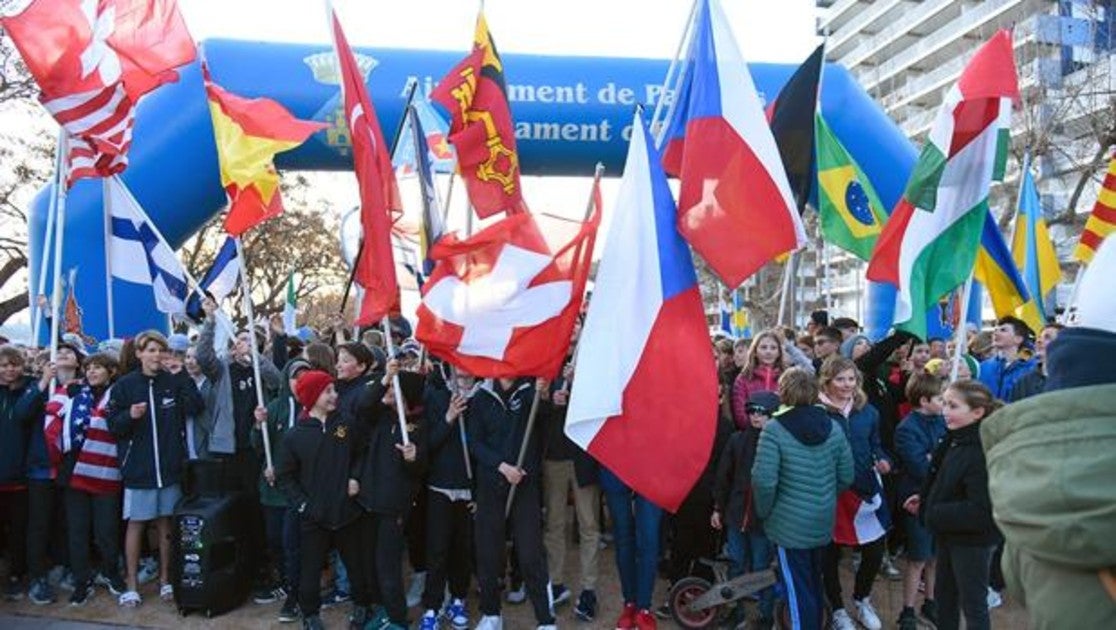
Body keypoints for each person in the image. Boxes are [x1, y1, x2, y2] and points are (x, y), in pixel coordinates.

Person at [982, 320, 1116, 629]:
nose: (1045, 343)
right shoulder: (1020, 379)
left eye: (1052, 339)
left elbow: (1017, 579)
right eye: (1043, 337)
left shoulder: (1025, 498)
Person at [752, 368, 854, 630]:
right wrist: (824, 498)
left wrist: (765, 512)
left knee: (796, 591)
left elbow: (763, 481)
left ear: (782, 392)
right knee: (813, 583)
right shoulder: (833, 427)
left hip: (787, 525)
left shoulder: (774, 429)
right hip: (821, 520)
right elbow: (847, 475)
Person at [108, 330, 203, 607]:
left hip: (170, 468)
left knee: (166, 525)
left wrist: (182, 375)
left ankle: (166, 581)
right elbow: (113, 424)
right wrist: (129, 416)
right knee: (136, 525)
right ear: (139, 354)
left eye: (160, 350)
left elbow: (196, 407)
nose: (156, 355)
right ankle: (132, 585)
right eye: (150, 350)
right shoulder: (125, 385)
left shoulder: (172, 382)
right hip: (139, 469)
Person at [276, 370, 368, 630]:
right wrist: (304, 505)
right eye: (328, 391)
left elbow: (362, 452)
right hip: (313, 517)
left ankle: (361, 606)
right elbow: (284, 477)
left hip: (347, 511)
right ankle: (310, 614)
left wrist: (355, 477)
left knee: (355, 565)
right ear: (313, 396)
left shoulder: (346, 424)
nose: (334, 395)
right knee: (310, 568)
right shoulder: (294, 435)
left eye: (334, 390)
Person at [906, 381, 1000, 630]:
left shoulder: (980, 450)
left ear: (977, 412)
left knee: (973, 605)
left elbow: (982, 509)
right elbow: (947, 481)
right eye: (945, 403)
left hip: (972, 542)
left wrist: (934, 512)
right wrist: (926, 499)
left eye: (953, 405)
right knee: (945, 598)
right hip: (949, 533)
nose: (945, 410)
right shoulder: (955, 438)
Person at [469, 377, 556, 630]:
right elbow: (475, 443)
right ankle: (491, 614)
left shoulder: (531, 389)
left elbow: (546, 417)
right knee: (487, 552)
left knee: (530, 553)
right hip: (491, 484)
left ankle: (545, 619)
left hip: (524, 485)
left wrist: (545, 395)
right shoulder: (482, 396)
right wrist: (502, 466)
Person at [819, 356, 893, 630]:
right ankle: (837, 608)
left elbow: (877, 445)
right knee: (830, 554)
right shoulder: (816, 411)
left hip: (864, 492)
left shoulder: (869, 411)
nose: (847, 384)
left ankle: (862, 599)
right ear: (827, 381)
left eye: (851, 379)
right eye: (840, 379)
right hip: (830, 493)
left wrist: (884, 460)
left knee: (874, 550)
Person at [355, 362, 427, 630]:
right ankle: (382, 610)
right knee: (371, 564)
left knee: (388, 567)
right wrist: (385, 378)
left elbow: (421, 468)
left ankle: (397, 619)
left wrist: (413, 458)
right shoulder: (381, 417)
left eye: (394, 389)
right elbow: (363, 404)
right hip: (369, 502)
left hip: (393, 508)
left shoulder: (417, 428)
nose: (387, 394)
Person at [57, 352, 127, 605]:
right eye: (88, 368)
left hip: (105, 470)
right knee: (77, 530)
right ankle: (81, 580)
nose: (92, 372)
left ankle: (111, 573)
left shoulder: (119, 394)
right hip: (73, 471)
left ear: (111, 371)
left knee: (106, 529)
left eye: (98, 367)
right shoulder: (72, 392)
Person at [712, 390, 780, 628]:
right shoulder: (737, 440)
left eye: (762, 412)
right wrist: (718, 508)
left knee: (762, 570)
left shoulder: (778, 444)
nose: (755, 417)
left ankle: (765, 614)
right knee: (736, 565)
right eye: (751, 411)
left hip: (763, 520)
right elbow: (723, 477)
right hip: (736, 514)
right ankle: (736, 611)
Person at [541, 362, 601, 622]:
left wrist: (579, 387)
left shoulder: (592, 357)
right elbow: (535, 413)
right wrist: (550, 399)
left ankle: (589, 590)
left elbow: (601, 403)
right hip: (553, 455)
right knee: (554, 524)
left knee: (589, 525)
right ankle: (555, 583)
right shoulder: (548, 356)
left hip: (584, 455)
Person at [253, 357, 311, 623]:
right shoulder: (274, 407)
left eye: (304, 375)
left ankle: (296, 596)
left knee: (293, 545)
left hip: (298, 491)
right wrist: (257, 425)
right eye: (295, 376)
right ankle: (286, 584)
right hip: (272, 490)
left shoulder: (315, 408)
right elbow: (257, 444)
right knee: (274, 540)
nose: (299, 381)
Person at [27, 338, 85, 605]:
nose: (62, 354)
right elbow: (21, 415)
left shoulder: (84, 390)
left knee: (67, 521)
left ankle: (67, 567)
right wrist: (42, 383)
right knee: (40, 523)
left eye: (68, 352)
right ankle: (37, 576)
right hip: (41, 467)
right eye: (58, 351)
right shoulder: (38, 388)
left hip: (71, 467)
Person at [419, 368, 476, 630]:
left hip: (468, 489)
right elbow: (428, 444)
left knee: (461, 549)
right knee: (437, 549)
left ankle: (458, 598)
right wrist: (449, 417)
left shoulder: (483, 396)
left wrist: (478, 491)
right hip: (440, 486)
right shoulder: (435, 396)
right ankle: (432, 605)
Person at [893, 374, 948, 630]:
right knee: (917, 558)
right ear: (924, 400)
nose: (945, 402)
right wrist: (938, 462)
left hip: (941, 499)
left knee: (935, 556)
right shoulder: (906, 428)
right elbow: (919, 467)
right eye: (940, 398)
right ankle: (907, 609)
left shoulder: (943, 422)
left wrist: (934, 458)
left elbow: (948, 456)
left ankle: (931, 600)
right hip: (917, 500)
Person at [0, 344, 41, 600]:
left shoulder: (30, 389)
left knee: (18, 531)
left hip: (19, 475)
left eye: (13, 364)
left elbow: (24, 415)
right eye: (3, 365)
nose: (8, 370)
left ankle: (16, 575)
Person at [601, 465, 661, 630]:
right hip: (615, 465)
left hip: (652, 468)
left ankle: (643, 608)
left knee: (648, 540)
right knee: (623, 539)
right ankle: (630, 603)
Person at [731, 330, 789, 429]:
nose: (768, 351)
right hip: (751, 435)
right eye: (763, 347)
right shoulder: (743, 378)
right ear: (755, 352)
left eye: (773, 348)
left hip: (780, 435)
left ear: (779, 352)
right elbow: (740, 412)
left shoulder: (788, 377)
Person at [978, 316, 1036, 399]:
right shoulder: (983, 367)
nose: (995, 333)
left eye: (1003, 330)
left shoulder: (1032, 368)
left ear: (1018, 339)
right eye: (995, 330)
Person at [1006, 323, 1062, 402]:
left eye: (1047, 337)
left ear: (1063, 344)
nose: (1038, 341)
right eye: (1039, 337)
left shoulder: (1072, 380)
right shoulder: (1023, 382)